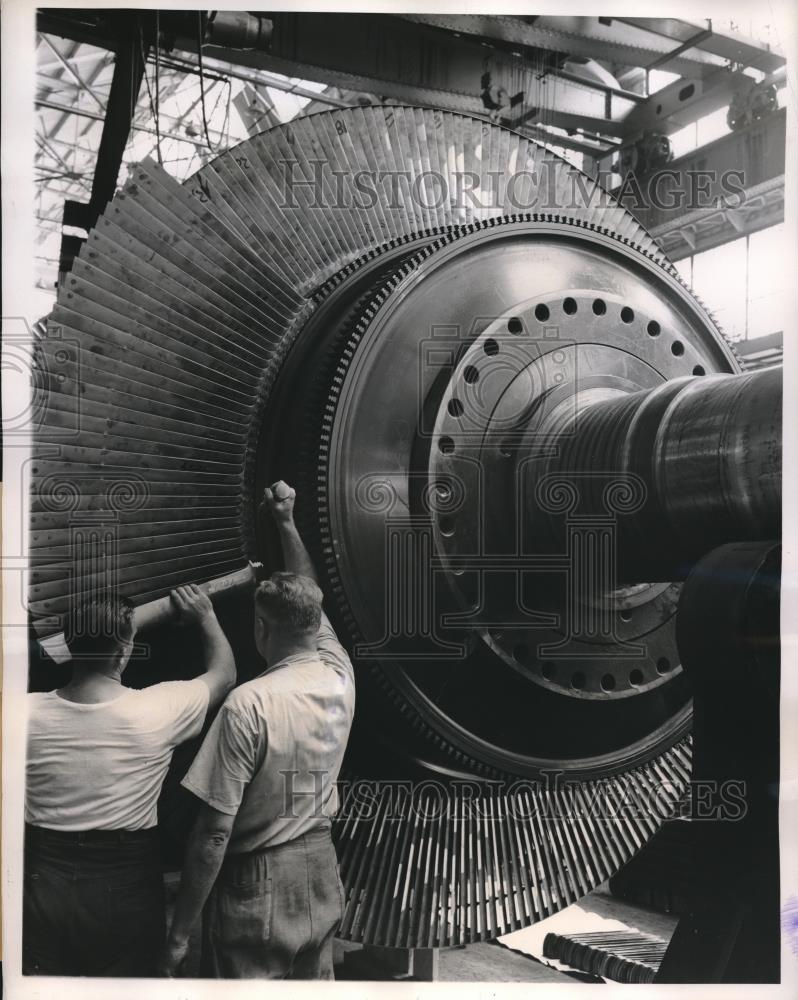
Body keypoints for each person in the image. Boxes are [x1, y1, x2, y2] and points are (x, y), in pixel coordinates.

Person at [160, 481, 355, 980]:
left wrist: (180, 932)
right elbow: (310, 598)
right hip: (320, 868)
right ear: (312, 626)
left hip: (258, 878)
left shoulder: (249, 705)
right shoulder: (339, 673)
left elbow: (213, 834)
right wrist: (286, 522)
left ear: (262, 630)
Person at [24, 585, 236, 976]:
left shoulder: (23, 714)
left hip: (42, 874)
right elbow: (223, 675)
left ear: (69, 646)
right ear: (123, 653)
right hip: (123, 879)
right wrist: (206, 616)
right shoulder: (157, 710)